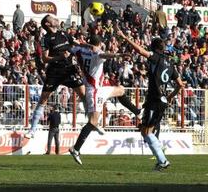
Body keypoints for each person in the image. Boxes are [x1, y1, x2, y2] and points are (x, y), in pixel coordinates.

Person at [117, 28, 184, 171]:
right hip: (162, 101)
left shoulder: (156, 58)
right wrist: (171, 97)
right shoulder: (170, 64)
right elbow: (180, 84)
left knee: (146, 132)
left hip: (155, 100)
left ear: (154, 48)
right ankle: (161, 159)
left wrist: (124, 36)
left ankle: (162, 160)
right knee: (146, 131)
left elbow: (141, 51)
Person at [69, 34, 130, 165]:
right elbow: (104, 55)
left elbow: (71, 48)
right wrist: (119, 55)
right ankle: (76, 148)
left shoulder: (79, 51)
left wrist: (79, 43)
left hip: (91, 87)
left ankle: (137, 111)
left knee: (120, 90)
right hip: (94, 89)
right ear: (100, 43)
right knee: (92, 121)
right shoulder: (97, 53)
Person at [24, 14, 86, 139]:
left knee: (85, 96)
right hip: (54, 72)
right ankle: (32, 130)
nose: (56, 19)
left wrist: (89, 46)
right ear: (47, 24)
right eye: (52, 18)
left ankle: (93, 122)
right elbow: (45, 59)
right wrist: (60, 57)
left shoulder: (64, 34)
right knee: (43, 100)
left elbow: (78, 44)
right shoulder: (45, 39)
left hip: (69, 70)